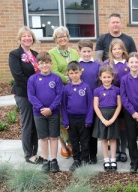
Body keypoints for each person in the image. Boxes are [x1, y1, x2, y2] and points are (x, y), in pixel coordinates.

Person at [9, 26, 43, 164]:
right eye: (24, 36)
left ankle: (34, 152)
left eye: (29, 36)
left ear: (33, 38)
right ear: (20, 39)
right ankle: (29, 154)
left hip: (36, 95)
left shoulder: (35, 54)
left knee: (35, 124)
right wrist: (33, 88)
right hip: (23, 94)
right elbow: (18, 76)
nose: (27, 38)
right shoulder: (15, 54)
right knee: (28, 124)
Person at [27, 51, 63, 173]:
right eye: (41, 63)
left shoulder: (56, 78)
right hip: (39, 113)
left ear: (51, 63)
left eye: (47, 63)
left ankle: (53, 160)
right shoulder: (33, 79)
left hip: (54, 112)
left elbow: (59, 95)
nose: (44, 66)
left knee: (53, 137)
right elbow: (31, 96)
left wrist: (51, 108)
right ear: (37, 65)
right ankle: (46, 160)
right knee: (43, 138)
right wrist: (42, 108)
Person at [49, 26, 79, 158]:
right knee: (61, 117)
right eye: (59, 36)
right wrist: (69, 78)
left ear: (68, 37)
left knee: (72, 116)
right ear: (55, 39)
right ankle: (63, 145)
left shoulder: (74, 52)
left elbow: (79, 67)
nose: (62, 38)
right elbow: (54, 71)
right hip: (59, 89)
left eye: (64, 36)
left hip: (74, 90)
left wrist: (75, 78)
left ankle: (72, 143)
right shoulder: (52, 53)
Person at [61, 61, 94, 171]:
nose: (74, 75)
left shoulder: (86, 87)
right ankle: (77, 160)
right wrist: (65, 121)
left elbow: (90, 105)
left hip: (84, 119)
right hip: (71, 119)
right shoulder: (66, 89)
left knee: (84, 140)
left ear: (80, 72)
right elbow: (64, 106)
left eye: (76, 72)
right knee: (74, 140)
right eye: (71, 73)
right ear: (68, 74)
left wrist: (89, 119)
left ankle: (85, 159)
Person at [104, 38, 129, 162]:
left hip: (126, 99)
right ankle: (116, 149)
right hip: (112, 99)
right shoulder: (107, 63)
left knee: (123, 125)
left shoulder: (128, 63)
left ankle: (123, 150)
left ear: (123, 49)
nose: (117, 51)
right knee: (115, 125)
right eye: (115, 49)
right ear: (111, 50)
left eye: (119, 48)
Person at [93, 65, 122, 172]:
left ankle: (113, 159)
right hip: (102, 117)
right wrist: (103, 120)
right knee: (104, 139)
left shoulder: (117, 90)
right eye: (104, 77)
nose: (106, 79)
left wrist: (113, 119)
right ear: (100, 77)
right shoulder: (97, 90)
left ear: (112, 77)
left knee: (113, 139)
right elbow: (96, 106)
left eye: (109, 77)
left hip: (113, 115)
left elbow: (119, 105)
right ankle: (106, 159)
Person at [78, 39, 101, 164]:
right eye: (84, 51)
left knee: (92, 130)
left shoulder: (97, 65)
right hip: (80, 102)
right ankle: (84, 154)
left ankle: (93, 154)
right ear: (79, 51)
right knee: (82, 130)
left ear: (92, 51)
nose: (86, 54)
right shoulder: (76, 64)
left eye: (88, 51)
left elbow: (100, 82)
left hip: (94, 102)